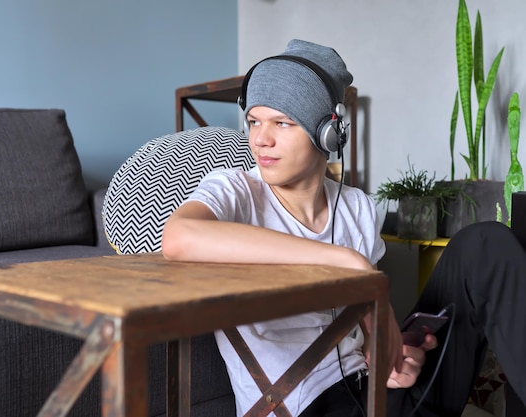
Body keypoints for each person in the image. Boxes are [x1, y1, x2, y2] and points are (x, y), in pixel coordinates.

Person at [162, 39, 526, 417]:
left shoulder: (357, 208)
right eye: (254, 121)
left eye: (282, 123)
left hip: (372, 393)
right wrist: (347, 262)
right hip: (304, 407)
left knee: (485, 245)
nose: (260, 139)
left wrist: (395, 356)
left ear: (328, 133)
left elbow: (368, 339)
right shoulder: (234, 191)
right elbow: (178, 238)